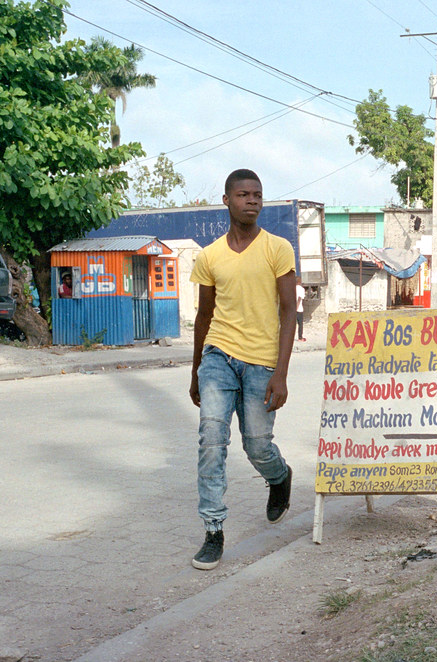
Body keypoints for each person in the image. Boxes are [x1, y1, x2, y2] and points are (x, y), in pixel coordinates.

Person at [187, 169, 297, 570]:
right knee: (211, 440)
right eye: (243, 194)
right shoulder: (210, 256)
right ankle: (213, 531)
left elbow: (289, 312)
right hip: (218, 356)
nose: (251, 201)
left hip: (262, 362)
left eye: (257, 195)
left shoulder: (277, 249)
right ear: (227, 200)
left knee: (256, 444)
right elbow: (204, 315)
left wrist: (281, 373)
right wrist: (196, 368)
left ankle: (279, 476)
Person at [295, 277, 306, 343]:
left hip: (292, 309)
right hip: (299, 309)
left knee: (292, 325)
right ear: (300, 282)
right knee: (300, 324)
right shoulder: (301, 289)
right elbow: (299, 298)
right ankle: (300, 337)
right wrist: (297, 307)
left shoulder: (292, 288)